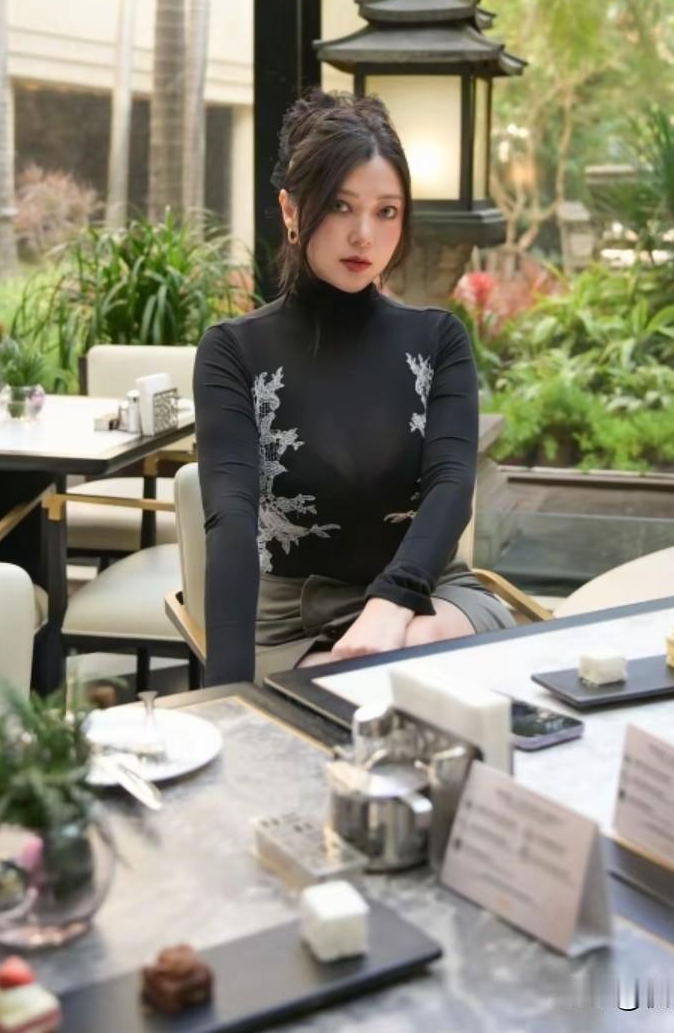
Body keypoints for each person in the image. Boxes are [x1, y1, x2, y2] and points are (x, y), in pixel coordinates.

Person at [193, 88, 515, 687]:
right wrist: (225, 698)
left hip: (428, 601)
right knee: (380, 682)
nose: (364, 234)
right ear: (291, 210)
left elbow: (451, 488)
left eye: (386, 211)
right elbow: (231, 521)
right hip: (291, 621)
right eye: (341, 206)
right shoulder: (233, 351)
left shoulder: (438, 340)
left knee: (407, 658)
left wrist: (391, 605)